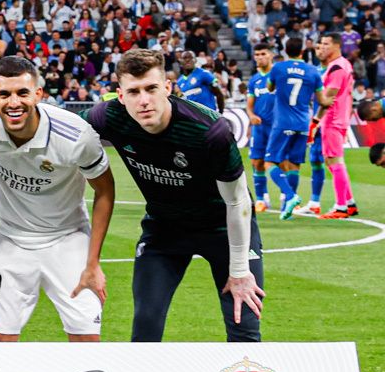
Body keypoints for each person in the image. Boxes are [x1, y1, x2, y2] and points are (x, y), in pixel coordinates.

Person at [87, 48, 264, 342]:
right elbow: (54, 124)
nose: (143, 100)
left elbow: (238, 201)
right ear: (120, 95)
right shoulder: (109, 117)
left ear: (167, 88)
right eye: (133, 92)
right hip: (165, 229)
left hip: (224, 229)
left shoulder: (209, 130)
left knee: (243, 324)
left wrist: (240, 270)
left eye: (151, 88)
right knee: (145, 324)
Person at [0, 56, 116, 343]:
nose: (13, 102)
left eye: (22, 93)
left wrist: (93, 263)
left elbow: (105, 191)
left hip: (67, 239)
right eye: (4, 94)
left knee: (86, 339)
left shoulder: (76, 135)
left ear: (38, 94)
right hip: (7, 240)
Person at [266, 36, 322, 219]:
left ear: (284, 50)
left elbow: (269, 87)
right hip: (303, 124)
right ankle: (286, 210)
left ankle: (290, 196)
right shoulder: (312, 71)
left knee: (270, 162)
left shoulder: (278, 68)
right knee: (293, 165)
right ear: (302, 52)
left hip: (283, 122)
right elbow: (322, 100)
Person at [315, 32, 358, 218]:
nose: (322, 47)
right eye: (321, 43)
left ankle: (341, 207)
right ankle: (349, 203)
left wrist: (316, 120)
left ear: (336, 46)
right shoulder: (343, 65)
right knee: (332, 161)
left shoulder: (337, 67)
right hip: (339, 117)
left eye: (326, 43)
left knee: (334, 160)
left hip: (332, 118)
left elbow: (328, 98)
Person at [247, 44, 275, 213]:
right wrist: (250, 115)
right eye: (256, 54)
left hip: (277, 127)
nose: (259, 57)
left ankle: (287, 197)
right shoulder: (254, 80)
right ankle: (261, 199)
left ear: (271, 55)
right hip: (260, 127)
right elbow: (249, 105)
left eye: (263, 54)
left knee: (283, 162)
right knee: (257, 162)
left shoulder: (277, 75)